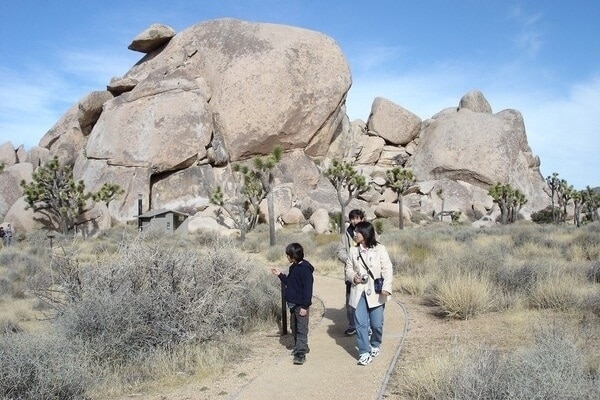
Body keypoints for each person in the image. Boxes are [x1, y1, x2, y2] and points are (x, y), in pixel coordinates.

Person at [345, 221, 393, 366]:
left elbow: (387, 269)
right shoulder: (353, 251)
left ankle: (375, 344)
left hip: (376, 292)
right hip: (359, 291)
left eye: (357, 232)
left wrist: (386, 287)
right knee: (360, 324)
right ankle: (364, 352)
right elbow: (348, 269)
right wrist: (353, 277)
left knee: (377, 324)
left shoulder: (380, 249)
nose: (354, 234)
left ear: (365, 234)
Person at [271, 242, 315, 365]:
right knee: (294, 327)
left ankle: (300, 354)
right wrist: (279, 275)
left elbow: (307, 290)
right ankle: (300, 347)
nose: (287, 257)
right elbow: (289, 283)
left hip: (301, 306)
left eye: (288, 255)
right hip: (293, 305)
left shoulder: (305, 271)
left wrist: (305, 306)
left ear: (293, 256)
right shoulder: (294, 267)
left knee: (301, 329)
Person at [337, 209, 365, 335]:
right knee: (350, 299)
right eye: (353, 218)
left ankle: (366, 324)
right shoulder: (346, 235)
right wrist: (350, 259)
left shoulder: (369, 231)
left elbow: (376, 246)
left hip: (366, 271)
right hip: (351, 272)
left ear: (362, 219)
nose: (355, 221)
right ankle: (352, 324)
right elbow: (340, 251)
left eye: (358, 218)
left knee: (367, 298)